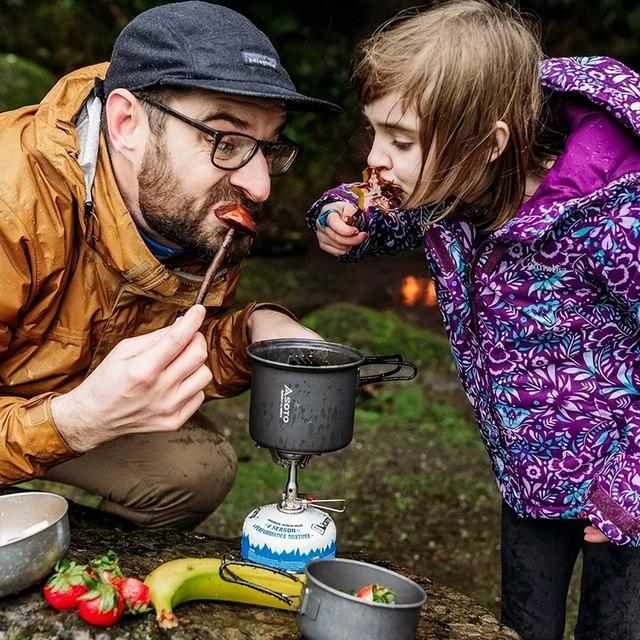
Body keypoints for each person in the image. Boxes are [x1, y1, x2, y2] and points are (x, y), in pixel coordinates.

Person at [307, 1, 640, 638]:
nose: (376, 157)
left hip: (623, 486)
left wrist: (629, 490)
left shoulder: (613, 223)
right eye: (376, 131)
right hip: (528, 475)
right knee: (520, 623)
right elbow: (385, 207)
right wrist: (339, 213)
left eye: (399, 141)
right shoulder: (460, 189)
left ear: (488, 144)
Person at [0, 1, 339, 530]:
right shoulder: (11, 205)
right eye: (225, 141)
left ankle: (83, 554)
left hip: (46, 396)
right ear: (126, 123)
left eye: (268, 148)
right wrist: (75, 422)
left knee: (192, 470)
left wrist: (251, 336)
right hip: (51, 410)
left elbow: (146, 339)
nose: (260, 186)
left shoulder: (186, 208)